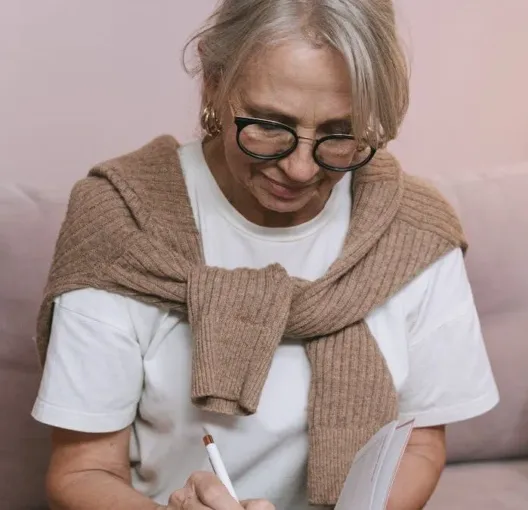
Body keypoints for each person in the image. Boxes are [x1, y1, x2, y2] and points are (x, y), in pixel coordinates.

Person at [31, 1, 499, 509]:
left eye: (339, 135)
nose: (300, 169)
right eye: (270, 126)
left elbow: (421, 443)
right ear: (214, 80)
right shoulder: (124, 219)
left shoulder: (413, 231)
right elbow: (83, 471)